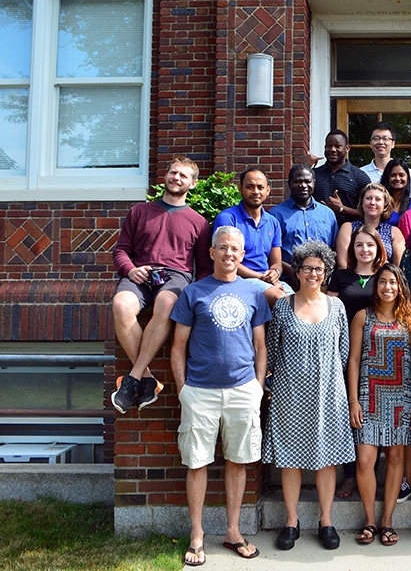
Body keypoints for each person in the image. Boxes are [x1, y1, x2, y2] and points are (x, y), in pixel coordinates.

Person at [169, 226, 270, 565]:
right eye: (223, 248)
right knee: (197, 463)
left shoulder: (253, 293)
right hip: (200, 392)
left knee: (238, 461)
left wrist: (257, 385)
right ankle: (197, 535)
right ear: (212, 252)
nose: (229, 254)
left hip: (243, 390)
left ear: (242, 256)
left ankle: (232, 531)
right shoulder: (193, 292)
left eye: (235, 250)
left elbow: (260, 345)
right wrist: (183, 390)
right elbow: (178, 346)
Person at [264, 241, 354, 551]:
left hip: (329, 395)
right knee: (290, 461)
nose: (313, 273)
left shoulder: (337, 307)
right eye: (307, 268)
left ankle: (326, 520)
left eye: (319, 268)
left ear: (326, 272)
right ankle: (292, 521)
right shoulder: (282, 306)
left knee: (326, 459)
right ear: (298, 272)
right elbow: (273, 352)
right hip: (290, 394)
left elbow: (343, 353)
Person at [111, 156, 212, 414]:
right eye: (173, 173)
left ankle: (133, 377)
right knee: (121, 304)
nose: (176, 178)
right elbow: (121, 250)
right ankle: (146, 378)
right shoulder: (139, 212)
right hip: (141, 275)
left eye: (183, 176)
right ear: (165, 176)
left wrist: (194, 296)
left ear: (192, 183)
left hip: (175, 277)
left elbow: (204, 268)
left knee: (166, 302)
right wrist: (131, 270)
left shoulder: (199, 223)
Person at [347, 264, 411, 547]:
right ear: (375, 285)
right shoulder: (362, 318)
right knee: (366, 460)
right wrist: (353, 399)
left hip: (402, 398)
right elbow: (353, 359)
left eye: (393, 282)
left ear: (400, 285)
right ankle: (369, 520)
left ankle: (387, 521)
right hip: (368, 396)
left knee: (395, 459)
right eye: (382, 282)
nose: (387, 287)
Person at [327, 225, 389, 501]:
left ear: (378, 250)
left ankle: (373, 474)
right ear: (351, 249)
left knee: (373, 420)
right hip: (346, 356)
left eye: (370, 245)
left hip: (381, 359)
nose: (365, 249)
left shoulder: (387, 278)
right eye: (359, 245)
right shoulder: (340, 277)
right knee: (350, 418)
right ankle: (351, 475)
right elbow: (329, 316)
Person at [212, 168, 290, 305]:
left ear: (268, 190)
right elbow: (228, 260)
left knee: (300, 303)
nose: (256, 192)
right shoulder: (228, 218)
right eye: (250, 187)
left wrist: (275, 273)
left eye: (260, 187)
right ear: (240, 189)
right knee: (280, 299)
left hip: (266, 280)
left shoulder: (273, 222)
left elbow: (276, 262)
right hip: (238, 279)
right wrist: (262, 278)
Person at [269, 164, 339, 279]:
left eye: (307, 181)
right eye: (298, 181)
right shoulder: (275, 215)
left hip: (321, 281)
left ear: (314, 183)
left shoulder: (328, 214)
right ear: (289, 184)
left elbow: (334, 249)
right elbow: (271, 253)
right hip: (288, 281)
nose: (303, 185)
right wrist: (293, 273)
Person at [334, 182, 404, 268]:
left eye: (378, 199)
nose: (372, 203)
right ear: (362, 202)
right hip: (353, 279)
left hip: (383, 279)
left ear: (385, 205)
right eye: (368, 198)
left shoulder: (394, 232)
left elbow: (398, 267)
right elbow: (342, 264)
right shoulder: (348, 228)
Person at [313, 129, 372, 225]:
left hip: (349, 235)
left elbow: (370, 212)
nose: (332, 149)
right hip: (318, 233)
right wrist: (306, 166)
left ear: (347, 148)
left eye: (337, 146)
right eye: (329, 146)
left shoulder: (359, 177)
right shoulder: (314, 174)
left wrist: (342, 209)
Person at [360, 121, 411, 199]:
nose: (381, 142)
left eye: (385, 138)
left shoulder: (406, 173)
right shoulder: (361, 173)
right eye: (376, 138)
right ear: (370, 143)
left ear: (393, 144)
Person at [381, 158, 411, 227]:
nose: (397, 178)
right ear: (387, 177)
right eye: (393, 175)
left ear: (407, 178)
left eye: (401, 175)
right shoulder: (380, 205)